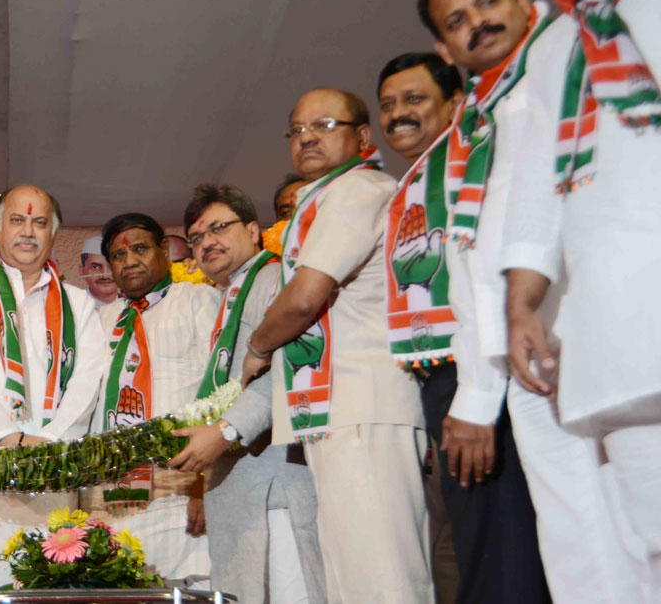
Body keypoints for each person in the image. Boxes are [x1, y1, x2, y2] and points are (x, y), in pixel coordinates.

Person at [504, 0, 661, 598]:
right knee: (647, 541)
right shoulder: (559, 42)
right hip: (617, 336)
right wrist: (523, 300)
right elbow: (538, 183)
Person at [241, 88, 430, 603]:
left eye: (323, 125)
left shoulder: (360, 188)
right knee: (350, 575)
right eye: (296, 130)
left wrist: (258, 348)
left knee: (383, 575)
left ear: (362, 136)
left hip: (364, 401)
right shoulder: (324, 199)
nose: (306, 138)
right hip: (339, 407)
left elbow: (305, 298)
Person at [377, 47, 548, 603]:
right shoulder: (418, 179)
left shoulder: (477, 159)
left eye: (414, 99)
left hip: (484, 369)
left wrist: (477, 397)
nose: (397, 113)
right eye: (387, 104)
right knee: (481, 537)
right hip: (445, 375)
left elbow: (488, 279)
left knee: (502, 541)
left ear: (456, 101)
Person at [0, 185, 104, 591]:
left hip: (52, 477)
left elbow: (88, 381)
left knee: (42, 592)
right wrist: (7, 439)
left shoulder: (78, 304)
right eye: (18, 220)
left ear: (53, 236)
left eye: (39, 222)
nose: (28, 231)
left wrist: (47, 447)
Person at [168, 185, 325, 603]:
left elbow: (291, 367)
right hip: (238, 485)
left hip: (279, 482)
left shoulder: (280, 279)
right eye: (197, 237)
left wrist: (225, 432)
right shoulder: (226, 297)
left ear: (255, 230)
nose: (207, 242)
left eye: (219, 227)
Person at [81, 213, 220, 586]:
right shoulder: (98, 320)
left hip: (179, 491)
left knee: (190, 590)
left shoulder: (198, 300)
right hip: (111, 500)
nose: (129, 261)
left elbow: (226, 391)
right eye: (118, 255)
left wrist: (207, 484)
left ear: (164, 250)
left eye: (140, 249)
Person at [79, 235, 120, 305]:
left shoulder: (134, 307)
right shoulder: (73, 307)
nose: (105, 275)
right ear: (82, 271)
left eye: (112, 266)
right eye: (95, 267)